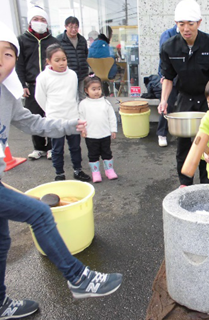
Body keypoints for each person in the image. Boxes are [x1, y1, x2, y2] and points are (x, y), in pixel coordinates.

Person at [0, 22, 122, 319]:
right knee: (40, 212)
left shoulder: (6, 96)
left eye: (6, 54)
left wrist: (69, 125)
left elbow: (34, 123)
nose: (0, 60)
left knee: (3, 240)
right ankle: (79, 278)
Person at [159, 0, 209, 187]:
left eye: (190, 23)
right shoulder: (169, 47)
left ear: (199, 22)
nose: (186, 28)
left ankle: (208, 181)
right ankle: (185, 182)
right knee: (183, 142)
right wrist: (163, 100)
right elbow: (167, 77)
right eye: (181, 24)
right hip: (184, 98)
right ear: (176, 24)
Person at [35, 44, 91, 182]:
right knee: (57, 149)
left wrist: (76, 113)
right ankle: (59, 173)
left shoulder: (72, 74)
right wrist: (51, 111)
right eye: (57, 60)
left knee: (75, 147)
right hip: (55, 120)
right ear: (48, 61)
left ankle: (78, 170)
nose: (61, 63)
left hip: (72, 117)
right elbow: (40, 98)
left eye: (64, 59)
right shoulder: (43, 77)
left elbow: (74, 95)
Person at [16, 6, 59, 160]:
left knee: (51, 115)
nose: (39, 23)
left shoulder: (53, 41)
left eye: (42, 20)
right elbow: (19, 64)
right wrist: (22, 84)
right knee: (34, 116)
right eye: (36, 19)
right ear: (30, 22)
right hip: (31, 85)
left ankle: (51, 147)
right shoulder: (22, 40)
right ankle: (38, 147)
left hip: (50, 85)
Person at [79, 75, 118, 183]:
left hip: (105, 134)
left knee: (107, 153)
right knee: (93, 154)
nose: (97, 92)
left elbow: (112, 117)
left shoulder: (105, 103)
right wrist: (83, 130)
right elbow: (81, 118)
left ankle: (109, 170)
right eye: (93, 89)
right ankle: (95, 172)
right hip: (91, 135)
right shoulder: (83, 104)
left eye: (99, 89)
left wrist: (113, 130)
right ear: (86, 90)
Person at [57, 16, 89, 101]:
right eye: (71, 27)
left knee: (83, 96)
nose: (74, 29)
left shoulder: (82, 40)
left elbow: (85, 55)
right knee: (71, 97)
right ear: (65, 26)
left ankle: (83, 113)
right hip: (67, 74)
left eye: (76, 27)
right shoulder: (59, 40)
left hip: (82, 74)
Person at [156, 24, 178, 147]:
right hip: (171, 76)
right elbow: (164, 58)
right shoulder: (168, 34)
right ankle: (161, 133)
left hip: (187, 77)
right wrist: (162, 75)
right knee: (165, 104)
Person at [88, 26, 117, 96]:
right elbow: (112, 60)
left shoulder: (92, 46)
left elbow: (88, 61)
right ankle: (112, 92)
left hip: (96, 74)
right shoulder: (107, 47)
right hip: (109, 75)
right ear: (109, 35)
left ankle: (104, 92)